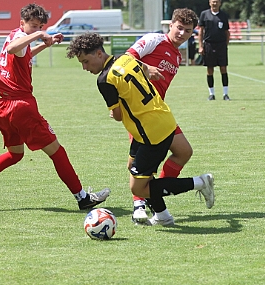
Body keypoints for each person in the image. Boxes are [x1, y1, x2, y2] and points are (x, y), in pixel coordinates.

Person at [0, 3, 110, 210]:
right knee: (57, 152)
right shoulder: (18, 39)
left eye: (40, 25)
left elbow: (23, 53)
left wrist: (45, 43)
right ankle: (82, 198)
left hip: (4, 106)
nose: (37, 29)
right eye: (33, 25)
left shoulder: (16, 36)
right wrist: (40, 35)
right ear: (22, 23)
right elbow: (15, 48)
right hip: (21, 106)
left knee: (15, 154)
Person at [67, 33, 214, 226]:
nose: (85, 67)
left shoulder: (104, 80)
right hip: (162, 118)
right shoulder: (126, 58)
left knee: (139, 188)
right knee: (133, 167)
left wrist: (115, 112)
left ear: (99, 54)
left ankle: (200, 182)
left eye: (86, 61)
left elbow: (118, 116)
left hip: (150, 133)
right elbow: (145, 68)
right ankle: (162, 215)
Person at [125, 8, 199, 224]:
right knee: (138, 162)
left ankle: (153, 193)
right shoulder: (154, 40)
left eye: (187, 31)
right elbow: (125, 60)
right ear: (171, 25)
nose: (182, 34)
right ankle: (140, 202)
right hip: (140, 111)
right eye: (179, 28)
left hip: (159, 112)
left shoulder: (177, 55)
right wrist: (147, 68)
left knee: (183, 151)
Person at [198, 0, 231, 101]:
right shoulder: (204, 14)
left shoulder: (224, 15)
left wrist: (225, 44)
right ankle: (211, 94)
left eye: (217, 1)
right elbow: (201, 31)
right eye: (213, 1)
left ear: (220, 3)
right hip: (209, 44)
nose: (215, 3)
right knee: (210, 69)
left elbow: (227, 32)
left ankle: (225, 94)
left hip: (221, 45)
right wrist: (201, 46)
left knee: (223, 68)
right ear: (209, 2)